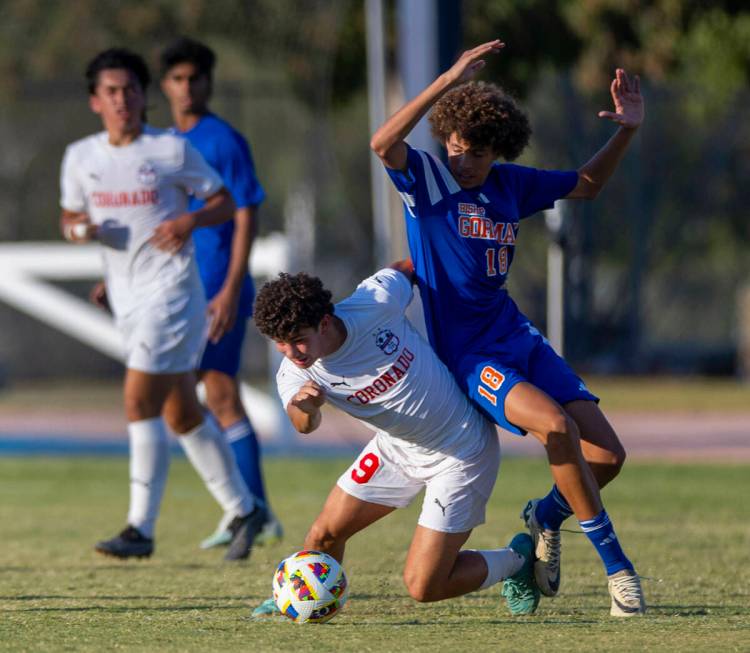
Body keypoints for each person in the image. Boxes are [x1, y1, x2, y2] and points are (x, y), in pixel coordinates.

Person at [370, 40, 645, 616]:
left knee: (608, 455)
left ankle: (544, 516)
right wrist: (447, 78)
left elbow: (587, 186)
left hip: (516, 335)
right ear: (446, 140)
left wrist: (626, 131)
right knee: (552, 426)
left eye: (476, 153)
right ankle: (619, 572)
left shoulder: (510, 185)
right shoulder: (426, 181)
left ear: (499, 151)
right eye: (456, 147)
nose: (463, 161)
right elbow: (382, 143)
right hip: (469, 355)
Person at [60, 48, 266, 561]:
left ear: (141, 96)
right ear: (94, 101)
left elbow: (224, 201)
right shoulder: (80, 157)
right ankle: (245, 507)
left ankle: (140, 528)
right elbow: (68, 219)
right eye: (111, 91)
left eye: (130, 89)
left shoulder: (169, 150)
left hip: (172, 292)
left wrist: (187, 222)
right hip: (126, 298)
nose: (123, 99)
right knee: (181, 411)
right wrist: (81, 231)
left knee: (138, 400)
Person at [250, 263, 541, 619]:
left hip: (461, 451)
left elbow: (411, 264)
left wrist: (466, 267)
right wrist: (305, 407)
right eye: (280, 344)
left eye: (298, 340)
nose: (292, 353)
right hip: (395, 448)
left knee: (424, 585)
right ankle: (295, 597)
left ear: (324, 322)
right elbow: (303, 425)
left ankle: (516, 560)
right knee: (323, 537)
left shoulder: (374, 302)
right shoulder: (295, 371)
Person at [159, 37, 282, 549]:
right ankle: (251, 510)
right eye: (178, 79)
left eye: (196, 78)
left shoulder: (223, 141)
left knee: (222, 396)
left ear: (208, 83)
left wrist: (232, 288)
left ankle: (250, 510)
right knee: (179, 399)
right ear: (165, 85)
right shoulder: (160, 142)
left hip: (214, 289)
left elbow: (245, 212)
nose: (187, 88)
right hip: (173, 291)